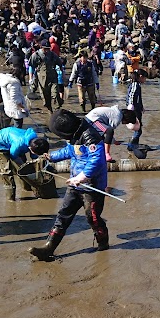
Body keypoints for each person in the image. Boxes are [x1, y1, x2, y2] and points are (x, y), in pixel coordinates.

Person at [30, 109, 109, 261]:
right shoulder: (75, 135)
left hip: (92, 186)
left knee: (92, 217)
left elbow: (97, 160)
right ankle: (49, 247)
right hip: (74, 185)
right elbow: (70, 151)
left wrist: (82, 177)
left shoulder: (89, 136)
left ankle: (103, 244)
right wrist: (52, 157)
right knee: (63, 214)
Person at [0, 126, 49, 201]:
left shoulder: (36, 141)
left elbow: (34, 155)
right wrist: (21, 166)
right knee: (7, 171)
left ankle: (27, 188)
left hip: (13, 142)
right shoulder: (19, 144)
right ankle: (10, 197)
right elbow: (13, 155)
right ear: (30, 148)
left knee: (25, 167)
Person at [127, 69, 146, 150]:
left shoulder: (137, 84)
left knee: (138, 128)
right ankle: (131, 145)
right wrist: (131, 106)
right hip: (134, 110)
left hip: (137, 109)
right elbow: (131, 95)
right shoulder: (135, 84)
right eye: (145, 78)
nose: (145, 80)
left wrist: (141, 107)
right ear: (141, 77)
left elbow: (138, 98)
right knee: (139, 129)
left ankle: (135, 145)